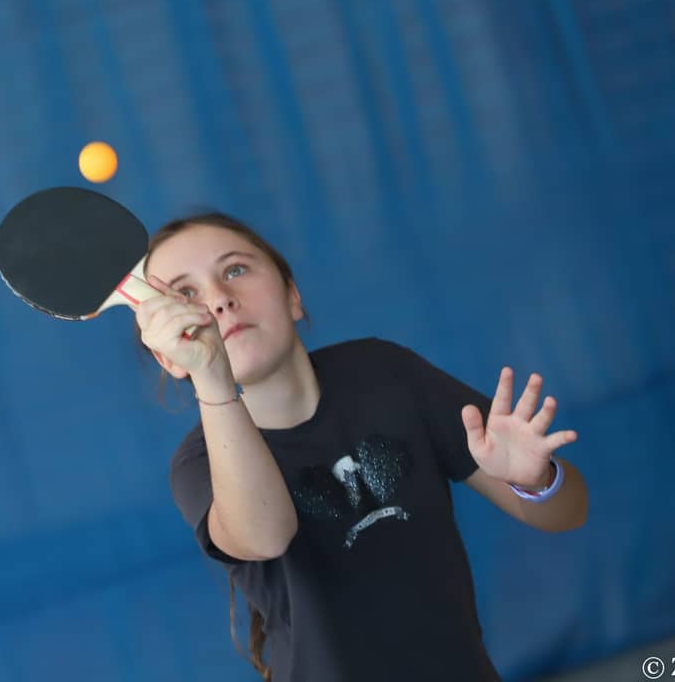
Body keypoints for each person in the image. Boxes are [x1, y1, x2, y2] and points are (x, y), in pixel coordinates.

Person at [133, 212, 589, 681]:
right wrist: (212, 375)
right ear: (170, 358)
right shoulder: (198, 462)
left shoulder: (383, 372)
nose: (219, 299)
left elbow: (569, 511)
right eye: (185, 295)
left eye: (235, 270)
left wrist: (537, 481)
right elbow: (266, 536)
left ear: (292, 294)